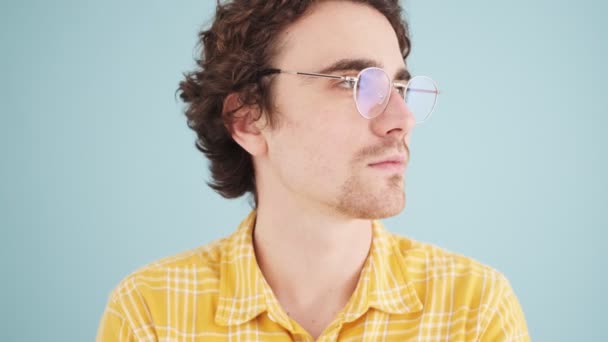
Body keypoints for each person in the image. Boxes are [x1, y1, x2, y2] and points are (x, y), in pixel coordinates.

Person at [96, 0, 530, 341]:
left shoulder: (474, 310)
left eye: (399, 86)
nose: (401, 118)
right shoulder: (151, 314)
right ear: (248, 119)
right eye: (351, 82)